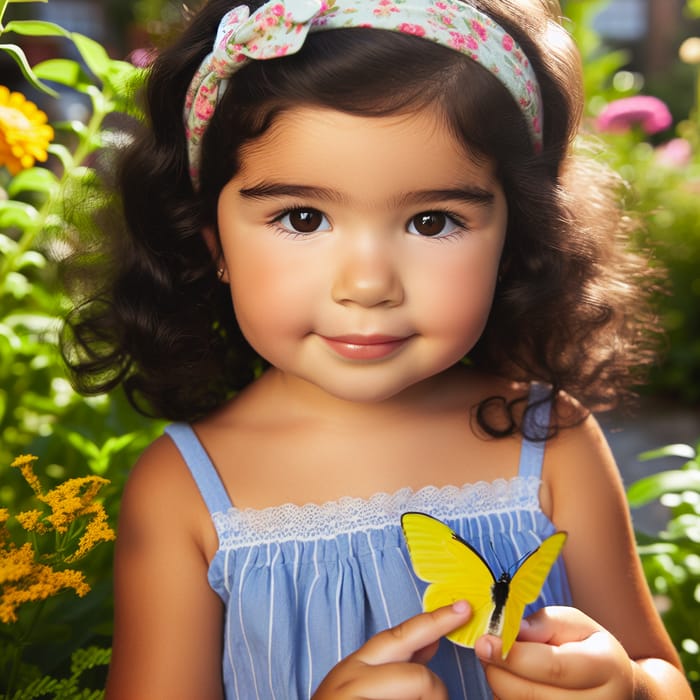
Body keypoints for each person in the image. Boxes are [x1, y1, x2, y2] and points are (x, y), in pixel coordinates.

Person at [61, 0, 693, 697]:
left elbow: (664, 676)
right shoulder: (185, 489)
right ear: (212, 243)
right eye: (302, 218)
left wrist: (631, 686)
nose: (367, 284)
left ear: (515, 238)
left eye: (432, 221)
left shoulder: (550, 437)